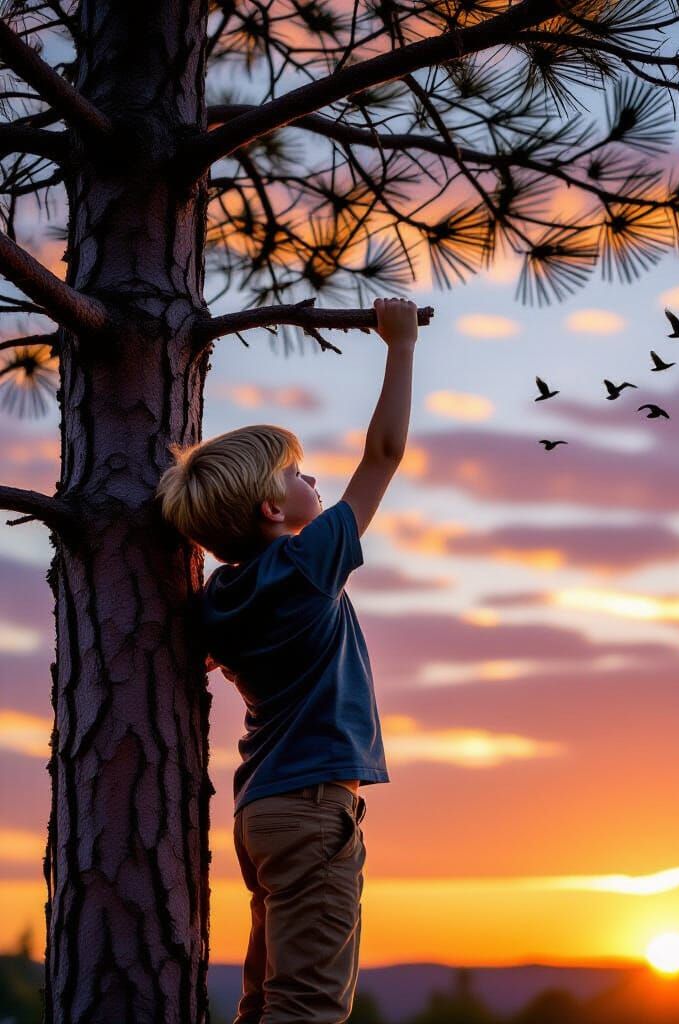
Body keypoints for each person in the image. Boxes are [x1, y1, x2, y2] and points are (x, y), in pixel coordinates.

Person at [154, 296, 420, 1023]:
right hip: (311, 809)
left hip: (262, 812)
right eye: (298, 474)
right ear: (273, 511)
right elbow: (385, 456)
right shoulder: (308, 565)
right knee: (306, 1009)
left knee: (265, 1002)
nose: (316, 483)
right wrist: (400, 346)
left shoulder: (217, 600)